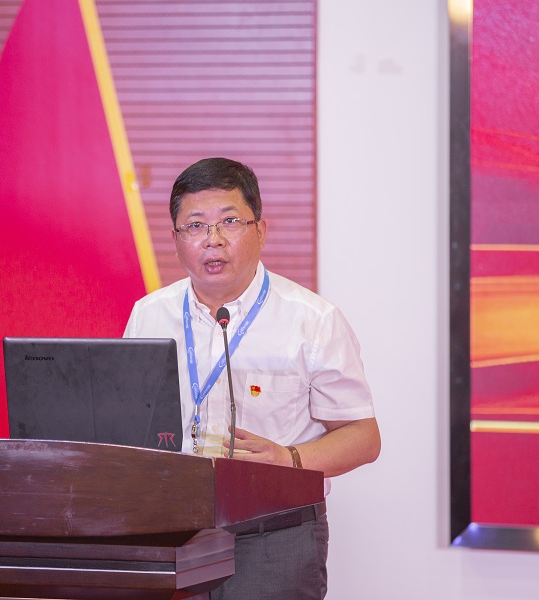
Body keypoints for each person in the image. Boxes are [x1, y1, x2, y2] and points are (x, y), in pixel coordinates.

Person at [123, 157, 381, 600]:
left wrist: (288, 458)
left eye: (230, 222)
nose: (213, 240)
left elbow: (364, 437)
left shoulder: (313, 320)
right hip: (170, 529)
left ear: (260, 230)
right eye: (195, 226)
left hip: (274, 535)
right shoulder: (149, 315)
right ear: (176, 239)